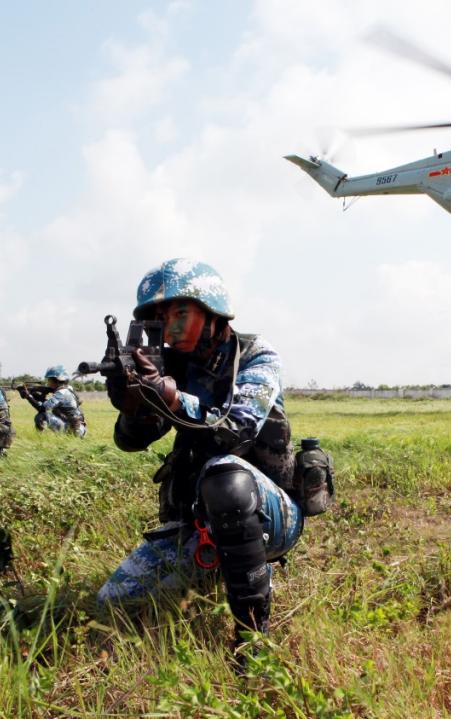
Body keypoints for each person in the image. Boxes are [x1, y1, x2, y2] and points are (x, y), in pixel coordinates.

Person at [96, 258, 302, 655]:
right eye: (159, 317)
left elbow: (236, 430)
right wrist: (133, 402)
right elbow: (132, 441)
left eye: (179, 312)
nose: (169, 326)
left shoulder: (255, 354)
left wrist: (171, 395)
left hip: (271, 512)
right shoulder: (173, 364)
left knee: (225, 476)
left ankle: (252, 641)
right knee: (115, 601)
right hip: (197, 521)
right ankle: (218, 563)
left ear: (211, 311)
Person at [19, 365, 87, 437]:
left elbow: (42, 408)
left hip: (73, 429)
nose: (50, 382)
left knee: (41, 417)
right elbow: (48, 403)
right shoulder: (69, 389)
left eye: (52, 380)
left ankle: (43, 440)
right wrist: (35, 396)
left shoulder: (61, 393)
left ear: (58, 379)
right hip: (79, 428)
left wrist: (28, 396)